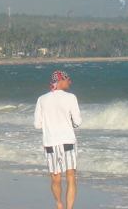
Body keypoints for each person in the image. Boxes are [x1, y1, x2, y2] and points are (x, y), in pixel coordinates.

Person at [34, 70, 82, 209]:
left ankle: (59, 204)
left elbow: (37, 125)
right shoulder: (71, 97)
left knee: (56, 178)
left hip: (50, 142)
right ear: (61, 81)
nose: (70, 82)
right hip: (68, 141)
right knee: (71, 176)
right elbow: (78, 122)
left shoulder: (42, 99)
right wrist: (70, 122)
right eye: (68, 79)